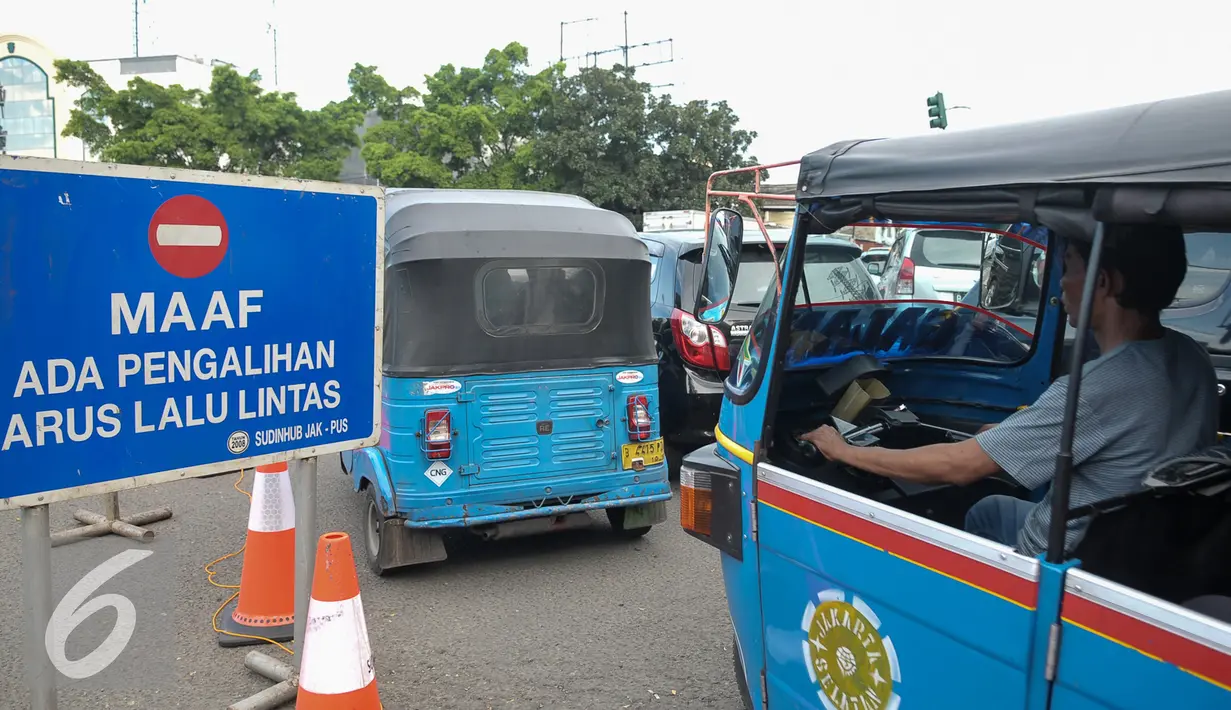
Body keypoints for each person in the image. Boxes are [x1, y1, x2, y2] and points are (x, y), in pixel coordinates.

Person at [801, 223, 1219, 558]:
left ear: (1103, 282)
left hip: (1070, 558)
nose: (1059, 287)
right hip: (1146, 548)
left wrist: (844, 451)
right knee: (989, 508)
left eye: (1068, 267)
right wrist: (1005, 440)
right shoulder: (1190, 357)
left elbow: (958, 467)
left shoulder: (1092, 390)